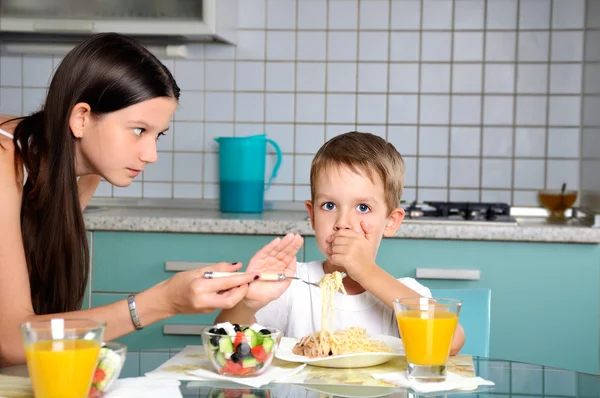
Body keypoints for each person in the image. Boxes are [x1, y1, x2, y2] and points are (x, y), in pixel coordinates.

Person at [0, 32, 303, 367]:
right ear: (81, 118)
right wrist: (163, 301)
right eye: (138, 130)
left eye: (158, 134)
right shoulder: (3, 161)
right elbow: (12, 340)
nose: (151, 154)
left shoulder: (84, 169)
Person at [216, 131, 466, 355]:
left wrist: (366, 270)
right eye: (329, 206)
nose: (343, 222)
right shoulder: (291, 286)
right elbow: (225, 344)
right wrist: (249, 302)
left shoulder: (406, 295)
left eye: (363, 207)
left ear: (390, 222)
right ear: (312, 215)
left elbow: (450, 341)